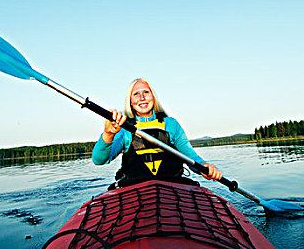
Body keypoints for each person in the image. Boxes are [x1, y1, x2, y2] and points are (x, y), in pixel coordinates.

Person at [92, 78, 222, 183]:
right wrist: (108, 134)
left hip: (172, 188)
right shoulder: (124, 128)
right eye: (136, 94)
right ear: (130, 102)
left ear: (153, 97)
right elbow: (99, 160)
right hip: (135, 190)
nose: (142, 97)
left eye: (146, 92)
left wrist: (204, 166)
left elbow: (190, 156)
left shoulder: (171, 124)